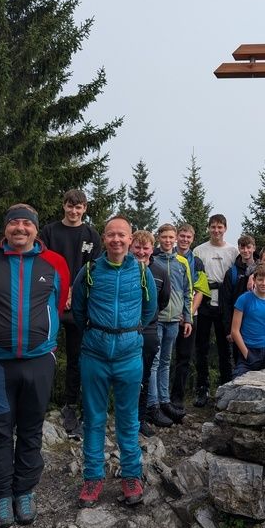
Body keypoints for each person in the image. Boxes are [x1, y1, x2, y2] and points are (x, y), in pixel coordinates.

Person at [0, 204, 70, 528]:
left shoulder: (51, 265)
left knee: (29, 429)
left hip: (39, 361)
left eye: (27, 223)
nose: (21, 229)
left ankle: (24, 490)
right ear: (6, 229)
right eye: (15, 224)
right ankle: (0, 494)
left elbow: (59, 301)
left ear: (36, 230)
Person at [72, 216, 157, 509]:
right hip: (94, 356)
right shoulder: (90, 270)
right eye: (111, 235)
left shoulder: (143, 273)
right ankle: (93, 478)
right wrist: (99, 335)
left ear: (131, 239)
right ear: (103, 239)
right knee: (94, 419)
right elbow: (79, 310)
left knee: (128, 419)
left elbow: (149, 311)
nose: (117, 240)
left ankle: (131, 476)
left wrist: (126, 335)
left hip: (129, 356)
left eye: (122, 235)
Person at [38, 189, 102, 437]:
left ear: (85, 208)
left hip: (79, 303)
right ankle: (40, 403)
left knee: (77, 357)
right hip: (51, 301)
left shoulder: (91, 234)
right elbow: (42, 264)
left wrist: (74, 293)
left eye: (79, 207)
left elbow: (94, 268)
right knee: (44, 355)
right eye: (69, 206)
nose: (74, 211)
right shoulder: (49, 232)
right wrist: (61, 292)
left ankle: (70, 404)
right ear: (63, 206)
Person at [146, 224, 193, 427]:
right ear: (158, 238)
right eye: (164, 237)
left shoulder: (181, 263)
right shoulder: (151, 261)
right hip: (156, 319)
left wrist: (188, 317)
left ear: (175, 239)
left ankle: (165, 402)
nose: (167, 240)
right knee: (154, 363)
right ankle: (152, 404)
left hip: (174, 319)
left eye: (170, 237)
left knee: (166, 362)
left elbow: (186, 291)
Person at [192, 214, 239, 406]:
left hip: (224, 301)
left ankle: (226, 387)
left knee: (224, 347)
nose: (216, 231)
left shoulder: (232, 251)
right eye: (213, 227)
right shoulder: (199, 250)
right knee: (201, 347)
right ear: (208, 228)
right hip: (204, 299)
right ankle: (202, 388)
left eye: (220, 227)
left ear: (225, 229)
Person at [129, 230, 169, 432]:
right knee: (124, 377)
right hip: (124, 331)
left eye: (145, 248)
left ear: (152, 249)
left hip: (149, 330)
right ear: (130, 247)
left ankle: (140, 419)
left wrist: (148, 319)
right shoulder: (123, 268)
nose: (141, 252)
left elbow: (163, 301)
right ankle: (123, 418)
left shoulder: (161, 271)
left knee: (144, 377)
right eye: (137, 247)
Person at [169, 223, 209, 409]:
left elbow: (200, 291)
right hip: (166, 316)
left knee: (184, 357)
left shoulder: (197, 262)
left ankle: (177, 399)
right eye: (182, 236)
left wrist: (188, 315)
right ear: (177, 236)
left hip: (189, 317)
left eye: (188, 237)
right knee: (161, 358)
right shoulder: (166, 256)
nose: (185, 239)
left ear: (193, 239)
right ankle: (159, 398)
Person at [230, 264, 265, 377]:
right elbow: (234, 331)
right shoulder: (244, 299)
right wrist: (246, 354)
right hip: (248, 351)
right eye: (260, 279)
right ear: (254, 280)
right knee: (238, 383)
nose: (264, 283)